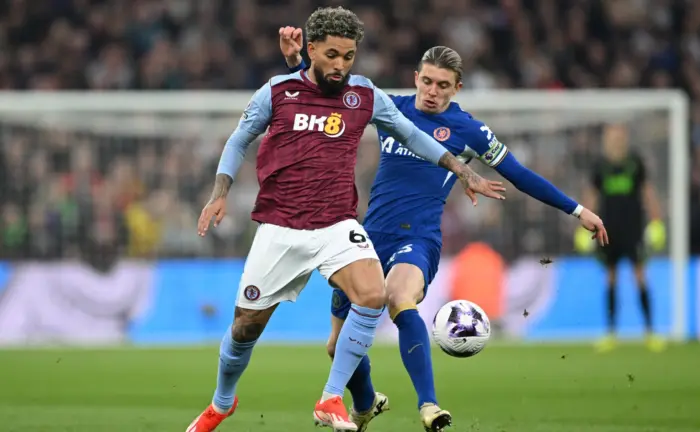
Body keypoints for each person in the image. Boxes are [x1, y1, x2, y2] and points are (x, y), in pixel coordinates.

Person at [186, 7, 505, 432]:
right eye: (332, 55)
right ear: (312, 50)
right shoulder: (277, 92)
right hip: (280, 227)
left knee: (373, 295)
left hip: (337, 224)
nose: (341, 65)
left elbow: (413, 135)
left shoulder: (364, 95)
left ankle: (332, 397)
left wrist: (463, 170)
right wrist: (219, 192)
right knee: (245, 327)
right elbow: (238, 139)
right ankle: (222, 403)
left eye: (349, 56)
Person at [279, 28, 609, 431]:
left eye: (443, 86)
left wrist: (577, 210)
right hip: (368, 239)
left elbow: (519, 175)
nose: (432, 92)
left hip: (417, 238)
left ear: (457, 88)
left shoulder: (468, 130)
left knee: (400, 297)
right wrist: (297, 62)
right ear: (416, 77)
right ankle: (365, 403)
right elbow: (326, 93)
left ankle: (429, 406)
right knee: (336, 347)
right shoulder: (390, 108)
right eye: (428, 81)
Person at [578, 123, 666, 353]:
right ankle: (611, 333)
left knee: (640, 276)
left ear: (625, 139)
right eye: (612, 137)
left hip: (633, 230)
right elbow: (591, 196)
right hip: (607, 231)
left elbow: (647, 192)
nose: (616, 140)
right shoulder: (600, 166)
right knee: (610, 278)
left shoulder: (635, 163)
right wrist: (583, 225)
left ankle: (650, 332)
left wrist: (656, 221)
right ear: (606, 140)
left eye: (619, 136)